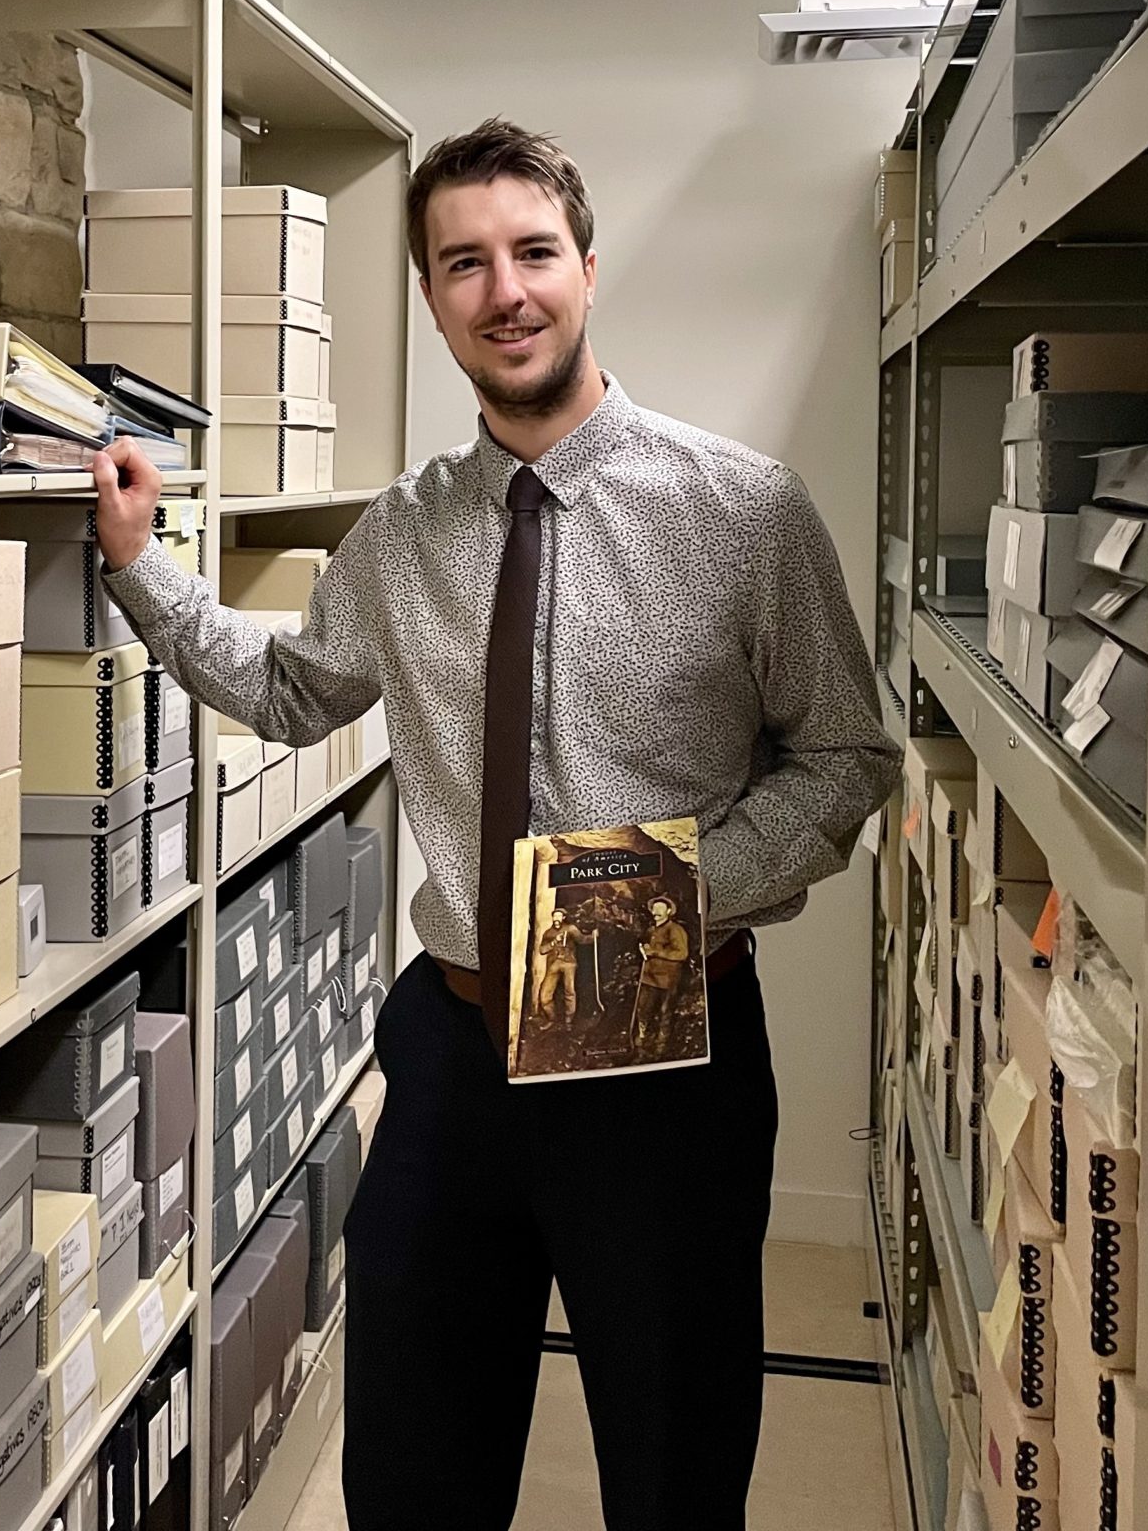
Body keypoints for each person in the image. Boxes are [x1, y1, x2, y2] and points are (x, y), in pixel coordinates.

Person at [91, 117, 894, 1531]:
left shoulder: (742, 512)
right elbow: (290, 694)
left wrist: (667, 906)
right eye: (463, 264)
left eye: (532, 253)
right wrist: (142, 568)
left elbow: (844, 756)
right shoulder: (400, 537)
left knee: (672, 1463)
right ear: (430, 294)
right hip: (460, 1047)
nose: (503, 291)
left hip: (666, 1056)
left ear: (589, 267)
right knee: (413, 1468)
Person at [631, 895, 690, 1057]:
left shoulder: (675, 929)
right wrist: (644, 948)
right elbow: (646, 948)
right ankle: (641, 1041)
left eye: (660, 908)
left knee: (665, 1012)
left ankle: (661, 1047)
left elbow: (682, 953)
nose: (656, 912)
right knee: (643, 1010)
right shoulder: (651, 930)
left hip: (667, 979)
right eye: (654, 908)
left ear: (669, 911)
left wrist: (655, 951)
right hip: (649, 977)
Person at [533, 905, 594, 1029]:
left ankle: (568, 1021)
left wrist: (594, 936)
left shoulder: (571, 929)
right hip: (553, 965)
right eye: (555, 916)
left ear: (564, 917)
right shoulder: (548, 933)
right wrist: (553, 942)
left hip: (569, 964)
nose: (556, 918)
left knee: (569, 992)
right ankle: (551, 1019)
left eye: (559, 916)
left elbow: (582, 940)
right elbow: (542, 950)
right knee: (545, 995)